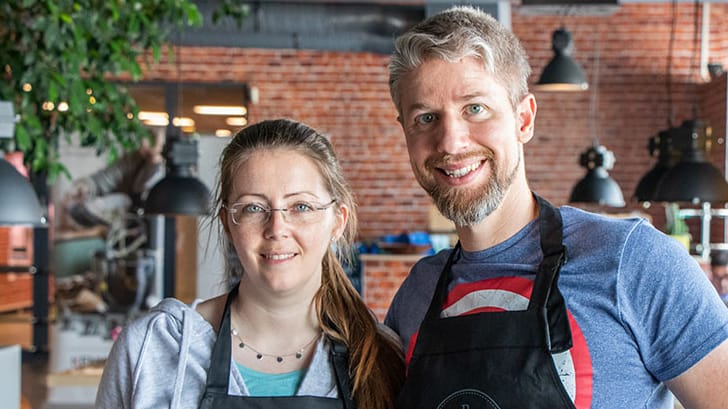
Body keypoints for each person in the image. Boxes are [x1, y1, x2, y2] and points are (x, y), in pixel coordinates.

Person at [384, 6, 728, 409]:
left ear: (524, 119)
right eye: (425, 118)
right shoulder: (416, 296)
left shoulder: (633, 261)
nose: (450, 142)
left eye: (475, 108)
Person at [96, 118, 405, 408]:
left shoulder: (379, 355)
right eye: (254, 208)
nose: (277, 229)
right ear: (228, 224)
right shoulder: (156, 347)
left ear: (337, 221)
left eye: (300, 206)